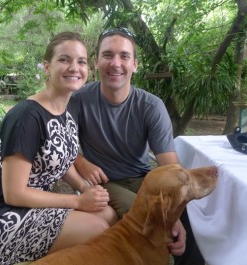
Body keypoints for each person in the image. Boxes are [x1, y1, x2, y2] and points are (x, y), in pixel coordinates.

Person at [0, 31, 117, 265]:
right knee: (98, 227)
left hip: (38, 204)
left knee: (109, 215)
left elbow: (61, 158)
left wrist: (84, 187)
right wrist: (78, 201)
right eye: (64, 60)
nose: (74, 67)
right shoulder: (27, 117)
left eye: (81, 61)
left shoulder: (70, 109)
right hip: (0, 216)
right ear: (47, 66)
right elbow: (14, 193)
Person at [68, 27, 203, 264]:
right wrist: (81, 161)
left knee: (195, 219)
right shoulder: (78, 100)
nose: (115, 63)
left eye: (124, 56)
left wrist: (175, 214)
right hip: (106, 182)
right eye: (108, 55)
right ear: (96, 62)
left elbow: (169, 167)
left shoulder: (151, 106)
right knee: (149, 222)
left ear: (135, 64)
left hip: (144, 178)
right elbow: (60, 145)